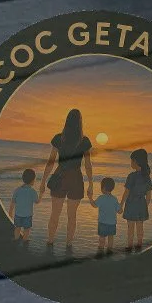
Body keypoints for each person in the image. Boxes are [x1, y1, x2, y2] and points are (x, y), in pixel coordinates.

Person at [39, 108, 93, 255]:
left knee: (54, 214)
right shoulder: (84, 141)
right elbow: (88, 165)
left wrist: (43, 181)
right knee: (72, 216)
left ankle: (50, 242)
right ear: (80, 122)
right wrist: (91, 184)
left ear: (67, 120)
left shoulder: (59, 138)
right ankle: (68, 246)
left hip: (60, 176)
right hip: (76, 178)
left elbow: (50, 162)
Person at [122, 148, 152, 253]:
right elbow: (148, 195)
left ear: (135, 161)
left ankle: (130, 246)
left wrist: (121, 204)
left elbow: (126, 192)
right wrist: (145, 206)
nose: (131, 163)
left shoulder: (131, 176)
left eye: (131, 160)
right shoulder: (146, 177)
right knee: (140, 227)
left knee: (130, 227)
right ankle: (139, 245)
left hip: (131, 204)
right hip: (141, 204)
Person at [10, 167, 38, 244]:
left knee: (17, 228)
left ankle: (16, 238)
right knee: (27, 229)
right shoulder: (32, 191)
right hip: (28, 215)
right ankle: (25, 240)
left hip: (18, 214)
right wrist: (41, 194)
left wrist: (10, 212)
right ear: (33, 180)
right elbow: (36, 201)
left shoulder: (17, 190)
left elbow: (13, 202)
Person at [93, 177, 120, 257]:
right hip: (112, 223)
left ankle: (101, 251)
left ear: (103, 188)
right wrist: (120, 206)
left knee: (102, 238)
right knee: (110, 238)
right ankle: (109, 251)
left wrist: (90, 198)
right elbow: (119, 211)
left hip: (102, 222)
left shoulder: (101, 198)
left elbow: (94, 205)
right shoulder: (114, 199)